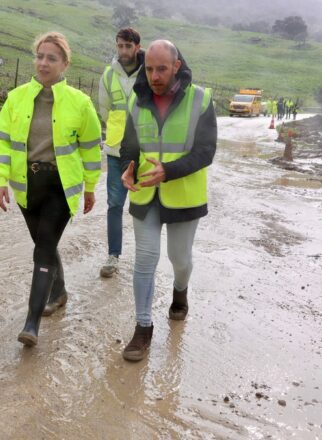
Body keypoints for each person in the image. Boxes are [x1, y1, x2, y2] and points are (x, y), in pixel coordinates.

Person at [0, 32, 102, 346]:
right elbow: (0, 141)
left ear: (65, 64)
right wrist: (0, 179)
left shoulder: (80, 103)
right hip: (27, 185)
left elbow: (91, 149)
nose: (43, 63)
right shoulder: (16, 98)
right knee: (45, 243)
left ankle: (32, 323)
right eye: (40, 56)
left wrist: (90, 187)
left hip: (60, 187)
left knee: (42, 249)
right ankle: (59, 291)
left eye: (51, 58)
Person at [119, 40, 217, 362]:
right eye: (149, 69)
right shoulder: (137, 98)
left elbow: (206, 152)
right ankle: (143, 328)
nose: (154, 76)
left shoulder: (200, 100)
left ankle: (180, 291)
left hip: (184, 195)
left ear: (176, 66)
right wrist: (127, 168)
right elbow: (129, 145)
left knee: (180, 258)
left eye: (161, 69)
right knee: (145, 259)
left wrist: (169, 171)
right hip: (146, 192)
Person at [98, 27, 144, 279]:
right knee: (115, 204)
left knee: (144, 206)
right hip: (116, 151)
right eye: (120, 46)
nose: (123, 50)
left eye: (128, 46)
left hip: (144, 151)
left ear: (137, 46)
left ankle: (145, 256)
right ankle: (113, 256)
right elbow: (104, 110)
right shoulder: (108, 75)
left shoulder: (148, 71)